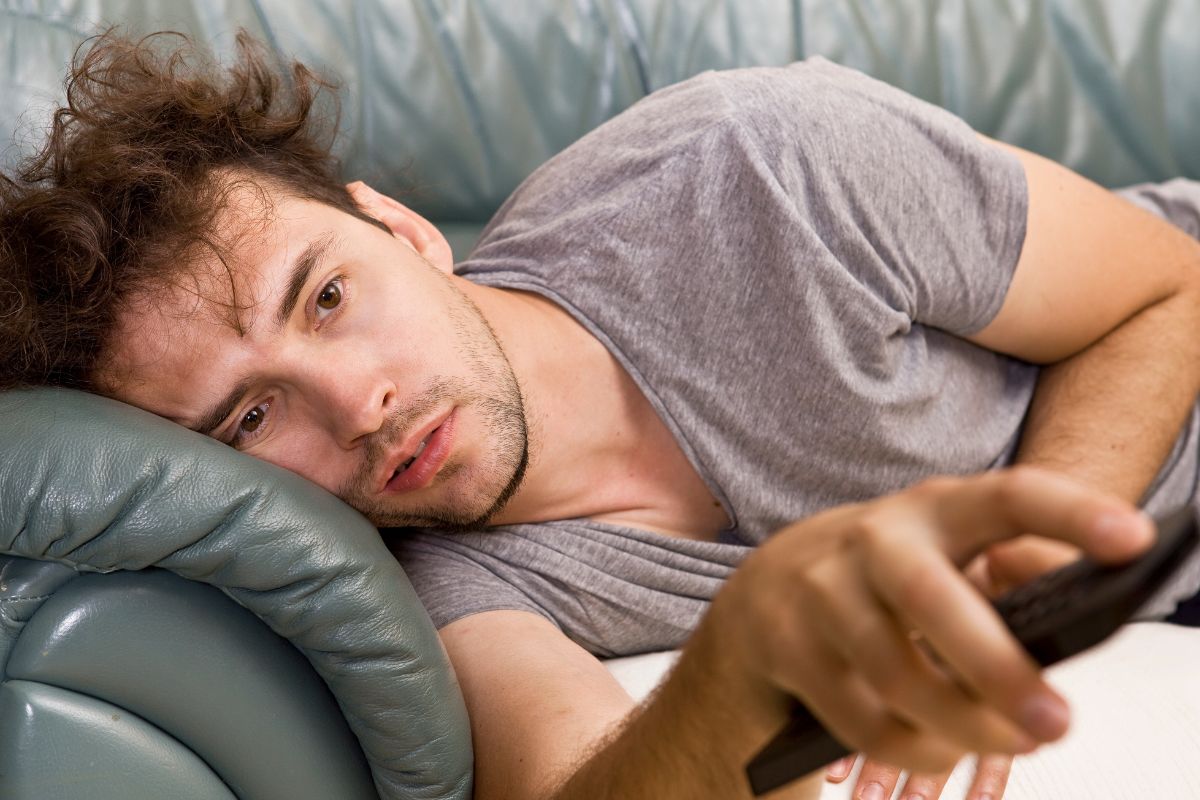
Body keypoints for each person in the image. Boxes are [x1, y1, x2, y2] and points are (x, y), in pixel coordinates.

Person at [3, 30, 1199, 800]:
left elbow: (1167, 287)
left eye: (327, 297)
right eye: (253, 419)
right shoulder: (443, 591)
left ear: (403, 228)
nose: (359, 405)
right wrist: (735, 672)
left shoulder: (759, 166)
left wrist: (1025, 576)